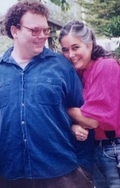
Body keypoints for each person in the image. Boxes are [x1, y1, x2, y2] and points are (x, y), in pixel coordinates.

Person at [0, 0, 95, 188]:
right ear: (14, 30)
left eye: (45, 30)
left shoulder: (62, 66)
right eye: (34, 30)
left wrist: (83, 170)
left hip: (63, 175)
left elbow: (85, 114)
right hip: (9, 177)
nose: (42, 36)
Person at [59, 20, 120, 188]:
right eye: (65, 49)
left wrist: (64, 109)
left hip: (114, 148)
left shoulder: (106, 66)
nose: (70, 54)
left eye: (75, 47)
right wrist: (73, 126)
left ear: (90, 45)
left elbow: (91, 120)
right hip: (95, 149)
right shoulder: (78, 74)